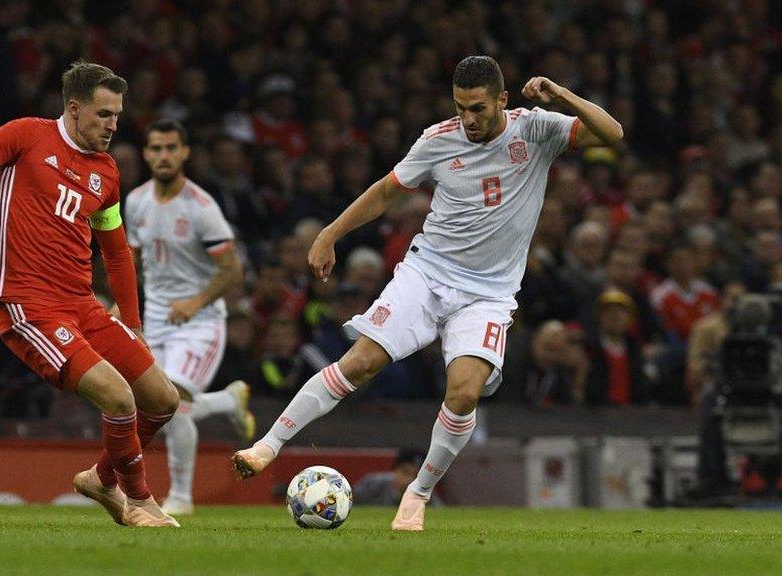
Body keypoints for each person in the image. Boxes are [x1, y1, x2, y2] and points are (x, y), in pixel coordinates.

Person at [233, 55, 623, 530]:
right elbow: (383, 193)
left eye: (478, 108)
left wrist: (560, 94)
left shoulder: (536, 129)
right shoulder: (438, 140)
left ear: (502, 99)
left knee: (463, 393)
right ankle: (267, 445)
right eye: (461, 108)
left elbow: (611, 134)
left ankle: (417, 493)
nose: (469, 119)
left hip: (489, 294)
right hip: (428, 273)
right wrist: (329, 233)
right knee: (361, 362)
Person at [0, 61, 181, 528]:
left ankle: (100, 479)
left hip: (82, 304)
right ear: (74, 107)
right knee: (118, 397)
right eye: (104, 114)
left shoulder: (106, 173)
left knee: (162, 398)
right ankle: (141, 500)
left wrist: (134, 324)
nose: (113, 125)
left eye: (117, 115)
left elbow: (117, 253)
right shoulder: (26, 135)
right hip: (29, 304)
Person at [124, 118, 254, 516]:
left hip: (200, 322)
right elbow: (129, 258)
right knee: (153, 407)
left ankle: (180, 497)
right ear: (147, 154)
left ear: (184, 153)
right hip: (155, 320)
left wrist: (196, 303)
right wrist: (122, 303)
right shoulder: (136, 202)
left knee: (173, 404)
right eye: (156, 148)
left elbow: (232, 270)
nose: (163, 155)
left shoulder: (201, 208)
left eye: (171, 148)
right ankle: (227, 402)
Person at [354, 448, 443, 506]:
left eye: (416, 475)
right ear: (394, 471)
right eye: (405, 472)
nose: (409, 479)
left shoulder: (427, 494)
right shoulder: (372, 485)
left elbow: (440, 514)